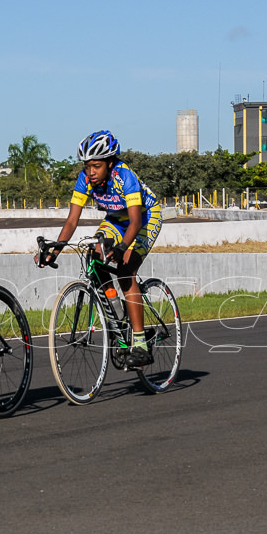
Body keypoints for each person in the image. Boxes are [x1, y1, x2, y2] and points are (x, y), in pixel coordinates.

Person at [36, 130, 162, 367]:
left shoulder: (125, 176)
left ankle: (141, 343)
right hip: (115, 219)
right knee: (93, 256)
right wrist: (55, 250)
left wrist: (123, 246)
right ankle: (115, 306)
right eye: (87, 166)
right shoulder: (84, 180)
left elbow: (135, 222)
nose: (90, 172)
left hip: (145, 218)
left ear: (109, 163)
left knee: (125, 270)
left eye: (96, 166)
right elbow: (72, 221)